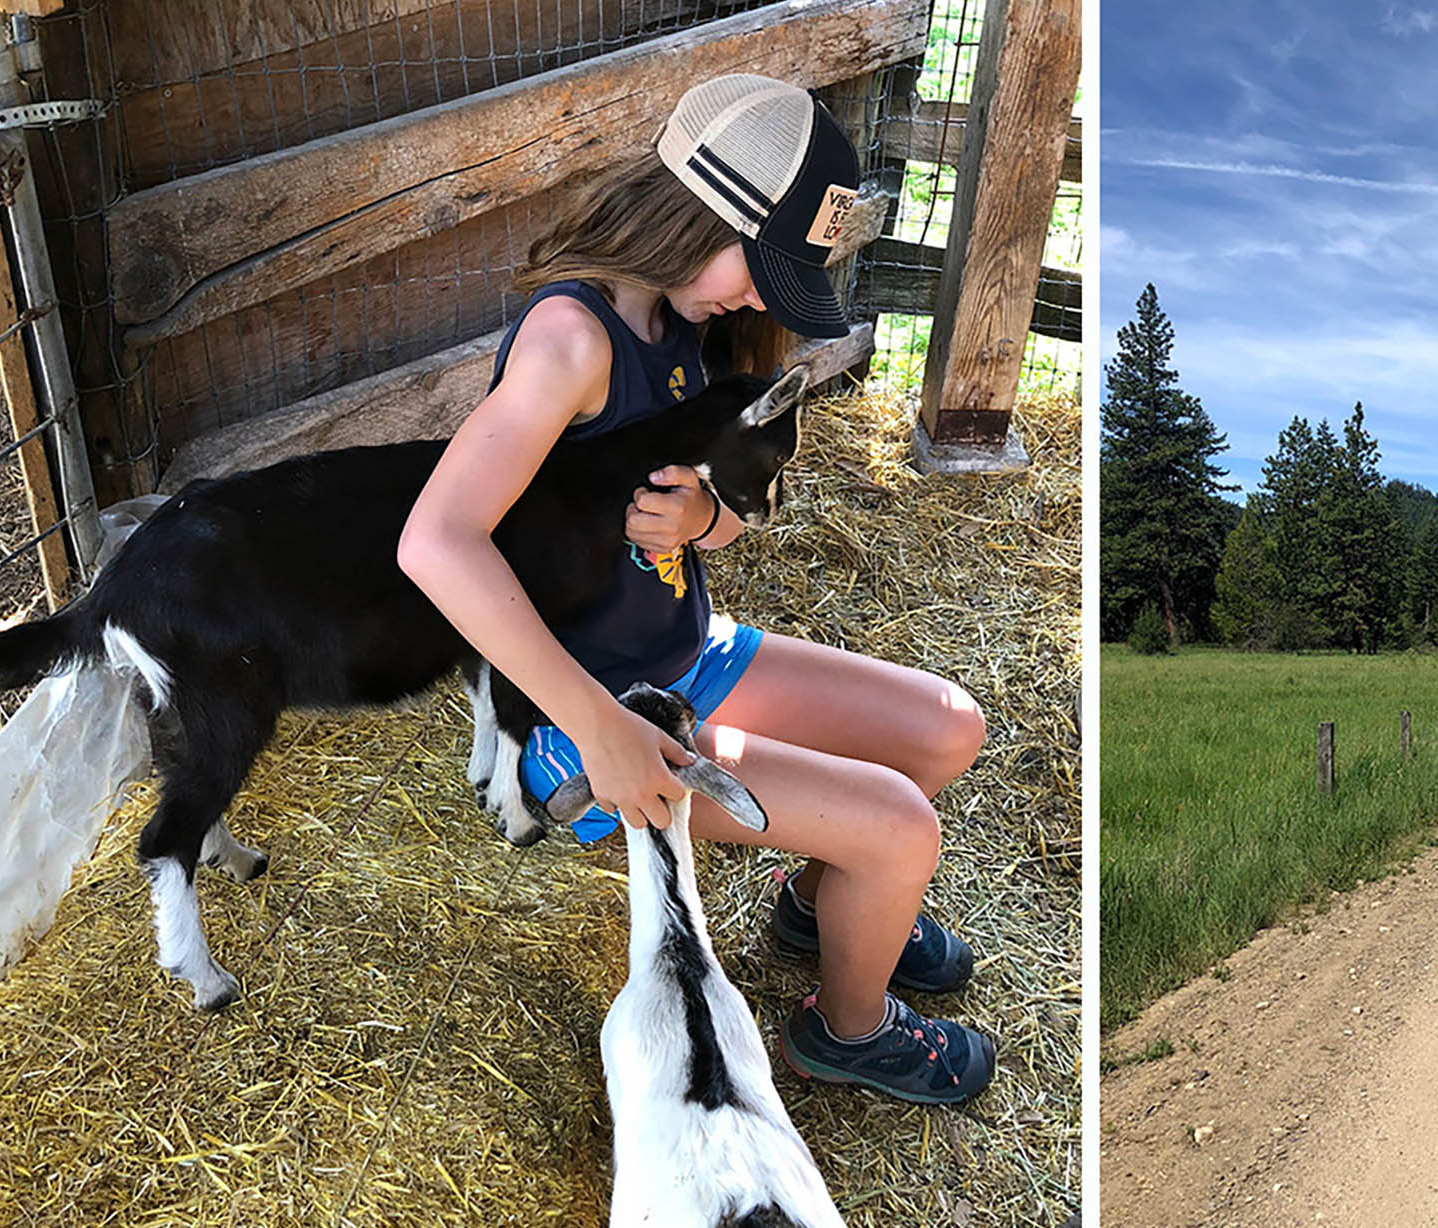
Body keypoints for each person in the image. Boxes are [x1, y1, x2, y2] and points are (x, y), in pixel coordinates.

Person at [398, 75, 994, 1105]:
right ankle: (849, 1031)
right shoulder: (573, 342)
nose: (762, 300)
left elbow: (723, 513)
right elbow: (435, 542)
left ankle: (823, 905)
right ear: (699, 206)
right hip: (602, 721)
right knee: (905, 827)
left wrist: (700, 522)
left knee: (950, 727)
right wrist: (596, 727)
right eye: (760, 271)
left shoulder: (690, 321)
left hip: (691, 652)